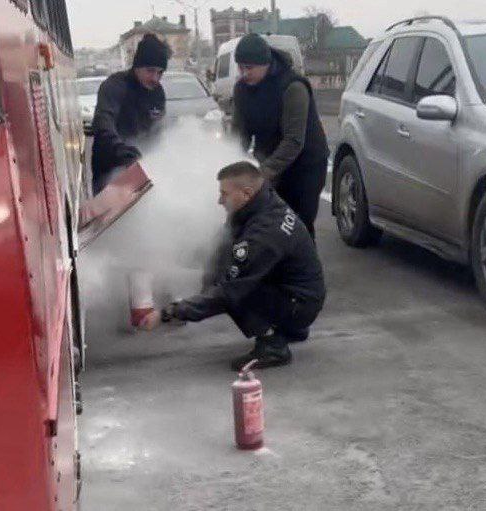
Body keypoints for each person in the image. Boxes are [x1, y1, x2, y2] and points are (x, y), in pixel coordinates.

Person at [140, 161, 326, 370]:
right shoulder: (260, 204)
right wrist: (168, 256)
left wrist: (169, 312)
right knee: (226, 270)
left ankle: (273, 346)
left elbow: (227, 292)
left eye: (224, 194)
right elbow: (219, 248)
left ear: (246, 193)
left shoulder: (264, 234)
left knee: (235, 290)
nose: (220, 200)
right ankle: (288, 329)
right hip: (295, 294)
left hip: (299, 304)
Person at [230, 34, 330, 237]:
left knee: (296, 226)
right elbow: (239, 135)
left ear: (266, 64)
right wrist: (232, 169)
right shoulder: (242, 89)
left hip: (305, 166)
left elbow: (293, 141)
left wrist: (261, 174)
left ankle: (305, 267)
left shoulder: (293, 87)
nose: (244, 73)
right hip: (270, 161)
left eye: (250, 68)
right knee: (269, 226)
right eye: (241, 67)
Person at [91, 34, 171, 194]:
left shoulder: (158, 92)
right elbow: (103, 121)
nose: (155, 78)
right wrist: (121, 150)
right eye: (150, 71)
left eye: (160, 73)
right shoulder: (115, 86)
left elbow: (158, 130)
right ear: (137, 66)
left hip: (142, 168)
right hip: (110, 168)